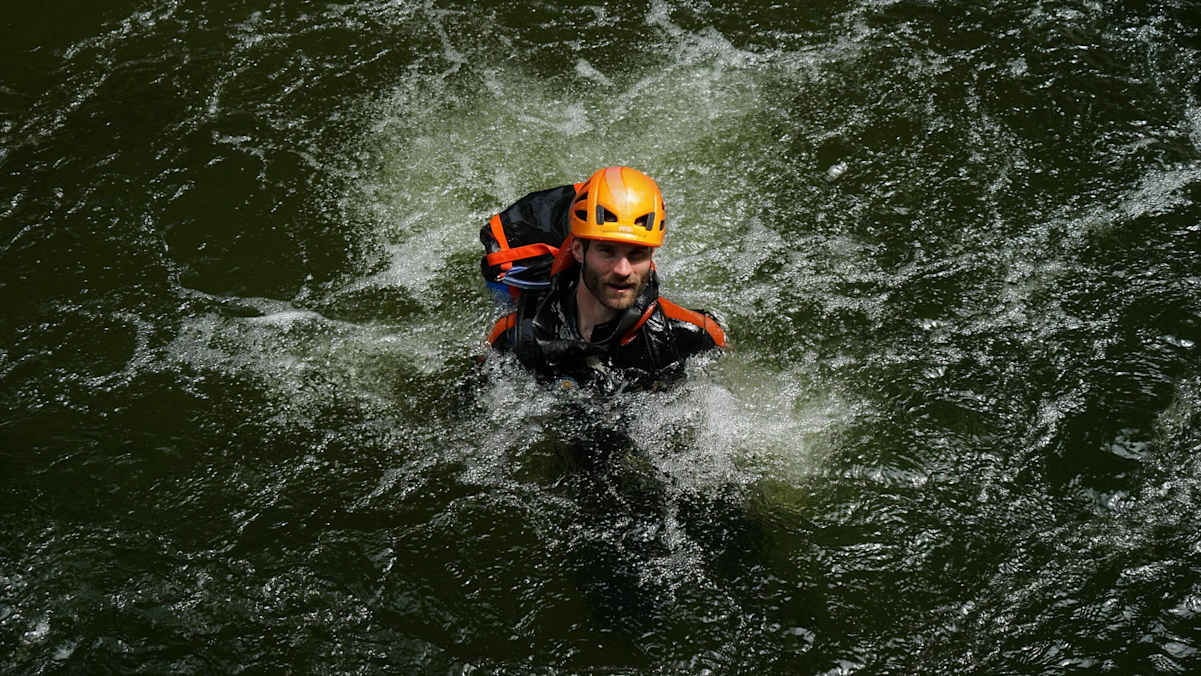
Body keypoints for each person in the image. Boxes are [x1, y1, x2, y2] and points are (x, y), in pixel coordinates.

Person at [483, 166, 726, 390]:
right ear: (578, 249)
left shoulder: (693, 337)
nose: (622, 270)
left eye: (637, 254)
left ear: (651, 255)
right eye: (607, 251)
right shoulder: (515, 336)